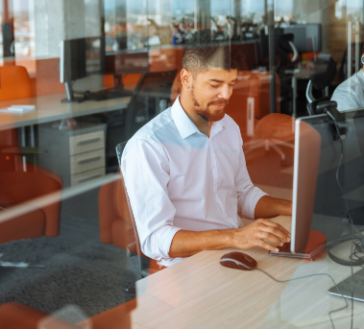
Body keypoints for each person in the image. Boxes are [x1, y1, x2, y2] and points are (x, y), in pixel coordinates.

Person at [121, 44, 293, 268]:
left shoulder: (227, 126)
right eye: (215, 84)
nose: (226, 94)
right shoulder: (148, 145)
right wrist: (235, 236)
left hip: (235, 251)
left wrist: (292, 207)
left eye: (231, 84)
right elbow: (155, 238)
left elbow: (243, 194)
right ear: (186, 79)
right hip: (188, 265)